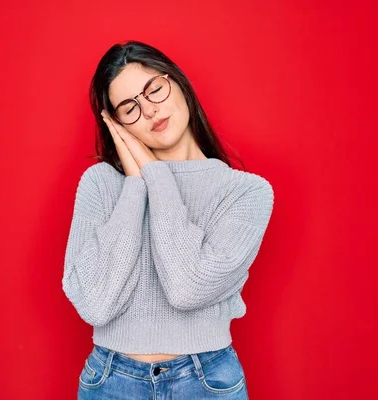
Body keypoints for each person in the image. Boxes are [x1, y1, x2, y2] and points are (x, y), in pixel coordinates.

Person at [62, 40, 274, 399]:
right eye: (130, 107)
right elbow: (94, 304)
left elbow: (187, 287)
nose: (148, 111)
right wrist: (134, 185)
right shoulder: (100, 184)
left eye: (154, 89)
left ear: (177, 82)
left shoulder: (246, 192)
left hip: (206, 382)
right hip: (111, 382)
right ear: (117, 125)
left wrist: (154, 174)